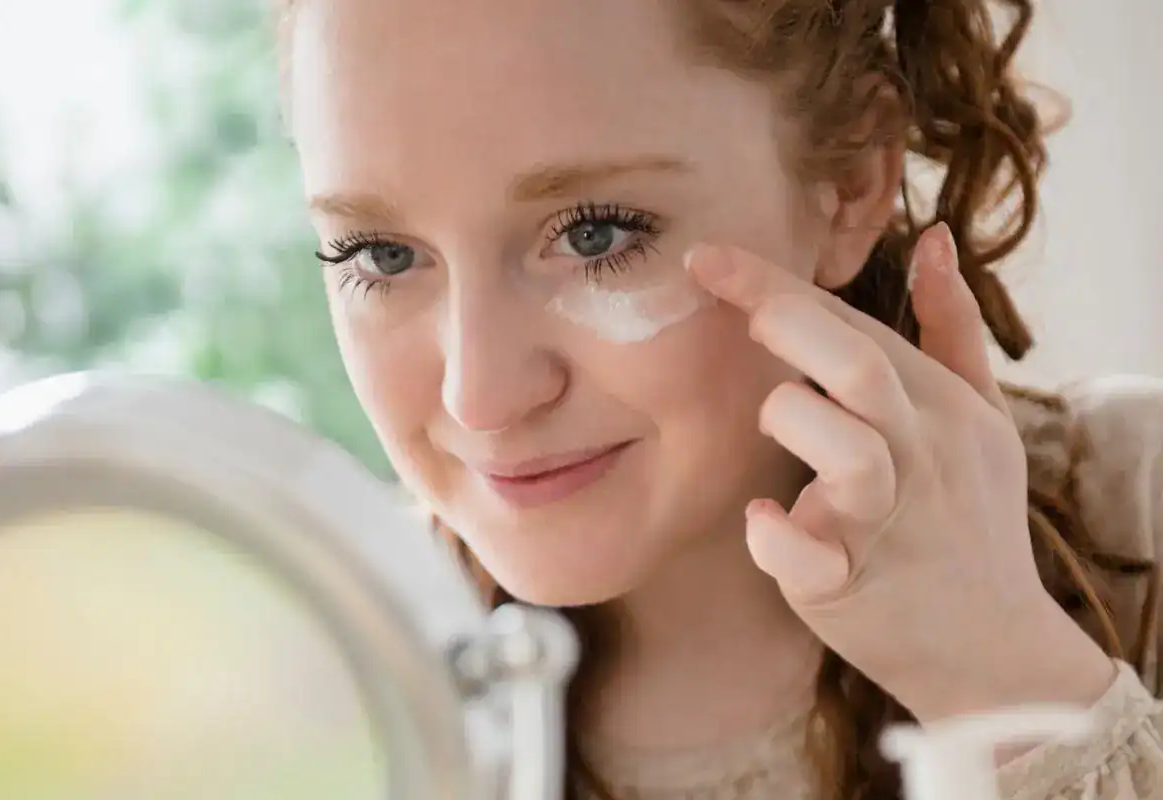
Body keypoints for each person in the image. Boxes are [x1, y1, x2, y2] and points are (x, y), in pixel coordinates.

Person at [276, 0, 1163, 797]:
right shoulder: (317, 691)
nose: (480, 398)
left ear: (850, 180)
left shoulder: (1141, 509)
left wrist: (1007, 681)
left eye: (595, 235)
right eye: (381, 256)